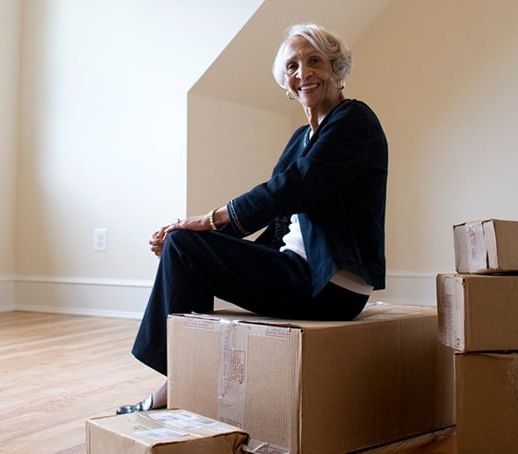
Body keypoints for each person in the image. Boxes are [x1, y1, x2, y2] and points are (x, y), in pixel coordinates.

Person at [117, 23, 388, 414]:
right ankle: (182, 379)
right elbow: (279, 215)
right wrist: (201, 245)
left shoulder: (354, 121)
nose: (303, 73)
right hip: (296, 272)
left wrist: (211, 221)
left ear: (337, 69)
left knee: (189, 243)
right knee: (183, 246)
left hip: (331, 287)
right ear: (286, 81)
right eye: (293, 66)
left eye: (315, 62)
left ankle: (180, 383)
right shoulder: (301, 137)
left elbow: (293, 187)